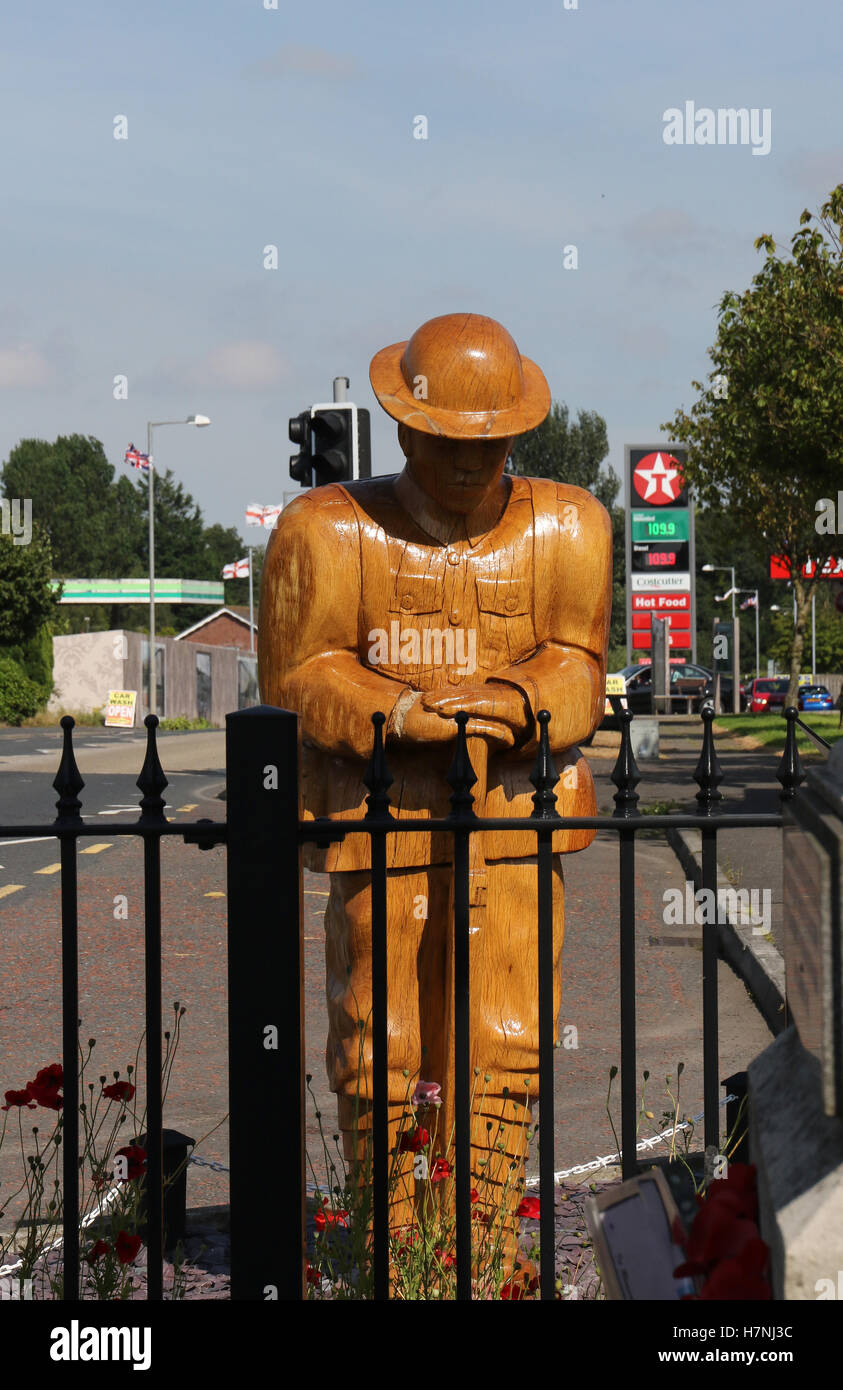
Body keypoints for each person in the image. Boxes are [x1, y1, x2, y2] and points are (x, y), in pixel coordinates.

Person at [258, 313, 612, 1265]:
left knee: (508, 1032)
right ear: (403, 426)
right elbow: (296, 670)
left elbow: (580, 662)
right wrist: (401, 713)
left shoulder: (569, 527)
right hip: (381, 818)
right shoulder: (326, 531)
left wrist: (517, 698)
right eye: (451, 440)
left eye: (491, 442)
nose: (471, 460)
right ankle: (394, 1246)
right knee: (383, 1038)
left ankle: (489, 1243)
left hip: (515, 819)